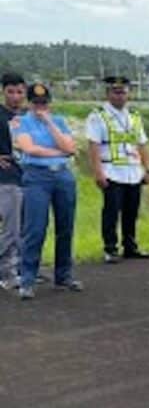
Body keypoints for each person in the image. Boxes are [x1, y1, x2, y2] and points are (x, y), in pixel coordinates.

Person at [12, 83, 80, 300]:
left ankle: (64, 276)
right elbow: (29, 148)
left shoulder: (58, 121)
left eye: (44, 103)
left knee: (65, 226)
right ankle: (27, 279)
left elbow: (70, 148)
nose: (40, 107)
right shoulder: (21, 122)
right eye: (36, 103)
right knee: (35, 228)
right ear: (30, 104)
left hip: (62, 175)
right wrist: (56, 151)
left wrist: (50, 123)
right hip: (36, 176)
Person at [86, 76, 149, 264]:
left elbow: (142, 144)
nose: (119, 96)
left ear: (128, 94)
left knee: (131, 211)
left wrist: (148, 169)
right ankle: (110, 248)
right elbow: (93, 145)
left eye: (123, 92)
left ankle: (130, 246)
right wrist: (97, 172)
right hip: (111, 170)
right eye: (115, 92)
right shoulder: (98, 115)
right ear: (108, 94)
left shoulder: (134, 116)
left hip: (133, 170)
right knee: (111, 211)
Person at [0, 73, 26, 291]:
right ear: (3, 91)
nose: (15, 97)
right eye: (11, 91)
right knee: (11, 228)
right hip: (7, 178)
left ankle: (23, 268)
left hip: (29, 176)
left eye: (19, 91)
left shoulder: (29, 116)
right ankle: (6, 272)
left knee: (29, 227)